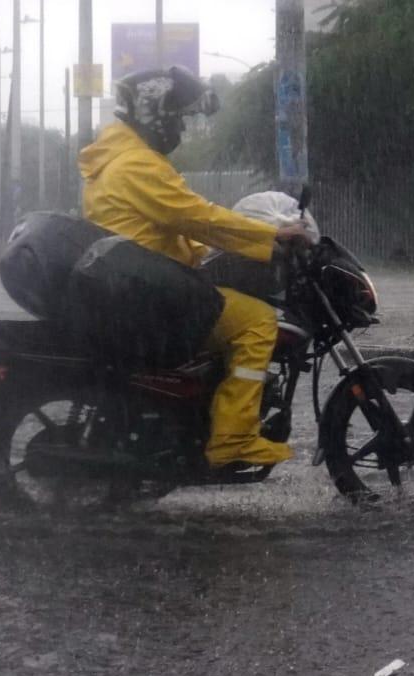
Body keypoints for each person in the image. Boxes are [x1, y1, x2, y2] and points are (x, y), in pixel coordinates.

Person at [78, 65, 313, 471]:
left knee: (231, 308)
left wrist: (214, 250)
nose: (182, 130)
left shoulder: (118, 160)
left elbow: (168, 228)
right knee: (257, 321)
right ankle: (234, 438)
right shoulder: (135, 165)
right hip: (150, 296)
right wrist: (268, 237)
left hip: (140, 285)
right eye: (180, 119)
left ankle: (207, 416)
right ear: (158, 114)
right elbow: (195, 216)